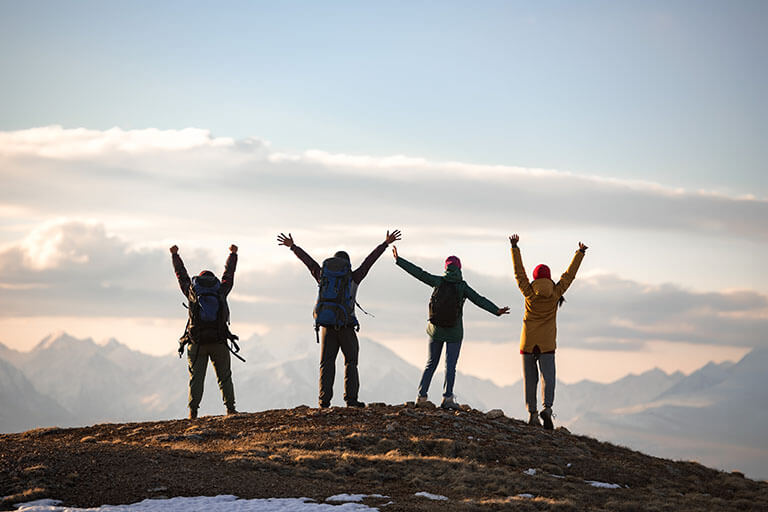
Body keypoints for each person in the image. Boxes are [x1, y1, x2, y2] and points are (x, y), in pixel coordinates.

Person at [277, 230, 401, 408]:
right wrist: (385, 244)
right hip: (346, 326)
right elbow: (369, 262)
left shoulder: (323, 276)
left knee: (326, 363)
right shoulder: (353, 277)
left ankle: (323, 401)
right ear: (347, 265)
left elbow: (309, 263)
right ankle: (351, 400)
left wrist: (293, 247)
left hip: (327, 326)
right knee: (350, 362)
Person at [392, 246, 510, 410]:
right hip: (454, 332)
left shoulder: (439, 281)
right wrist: (496, 310)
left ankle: (421, 396)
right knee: (450, 366)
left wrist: (399, 260)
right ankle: (447, 397)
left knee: (431, 363)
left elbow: (419, 273)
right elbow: (479, 299)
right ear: (459, 269)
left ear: (446, 268)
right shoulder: (462, 287)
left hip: (436, 330)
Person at [509, 234, 587, 429]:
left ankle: (533, 414)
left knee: (530, 380)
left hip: (527, 342)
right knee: (548, 377)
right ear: (549, 276)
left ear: (535, 277)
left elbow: (519, 272)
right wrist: (580, 253)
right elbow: (569, 276)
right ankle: (548, 408)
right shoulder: (556, 293)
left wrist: (514, 248)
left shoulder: (528, 291)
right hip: (547, 342)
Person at [171, 244, 239, 419]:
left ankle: (193, 412)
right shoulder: (220, 289)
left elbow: (181, 275)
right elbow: (229, 275)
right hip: (219, 341)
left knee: (196, 379)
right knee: (224, 377)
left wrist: (175, 255)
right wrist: (233, 255)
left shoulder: (192, 290)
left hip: (197, 342)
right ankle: (230, 409)